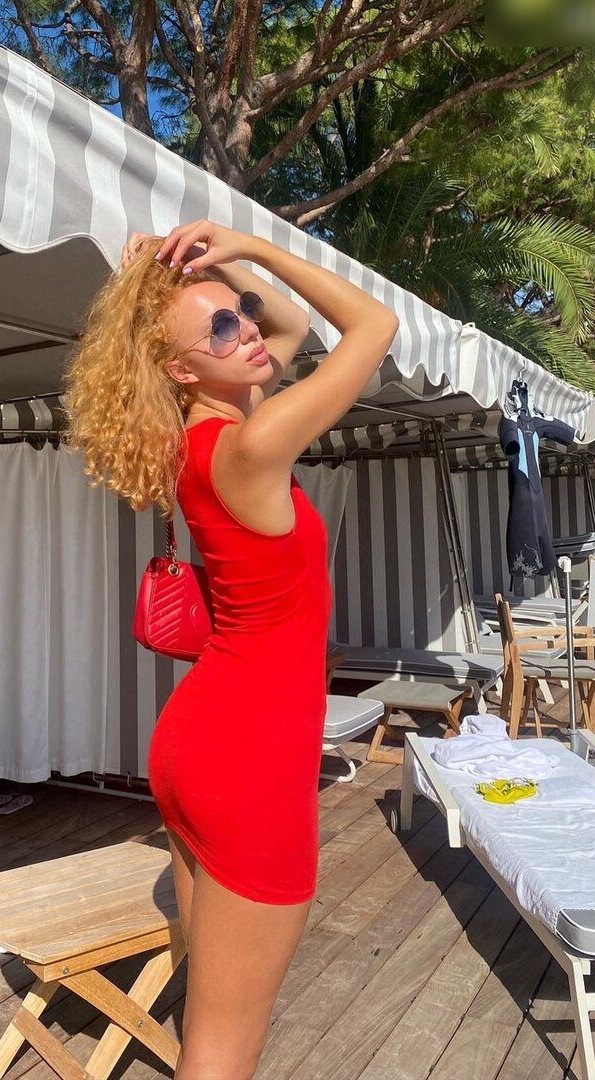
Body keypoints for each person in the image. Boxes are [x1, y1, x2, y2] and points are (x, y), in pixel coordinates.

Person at [64, 220, 398, 1079]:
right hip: (250, 757)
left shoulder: (203, 435)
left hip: (197, 743)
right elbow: (371, 326)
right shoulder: (253, 444)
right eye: (219, 329)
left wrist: (205, 284)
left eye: (240, 313)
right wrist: (250, 248)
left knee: (206, 1011)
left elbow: (290, 327)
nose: (246, 329)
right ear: (182, 370)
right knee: (223, 1047)